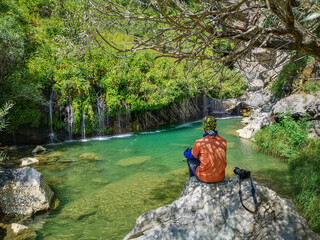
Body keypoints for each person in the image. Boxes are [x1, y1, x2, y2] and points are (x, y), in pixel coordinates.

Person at [184, 116, 227, 183]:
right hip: (221, 177)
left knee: (190, 159)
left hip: (205, 178)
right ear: (215, 126)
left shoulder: (199, 142)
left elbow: (190, 155)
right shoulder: (223, 140)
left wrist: (186, 152)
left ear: (204, 129)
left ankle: (191, 181)